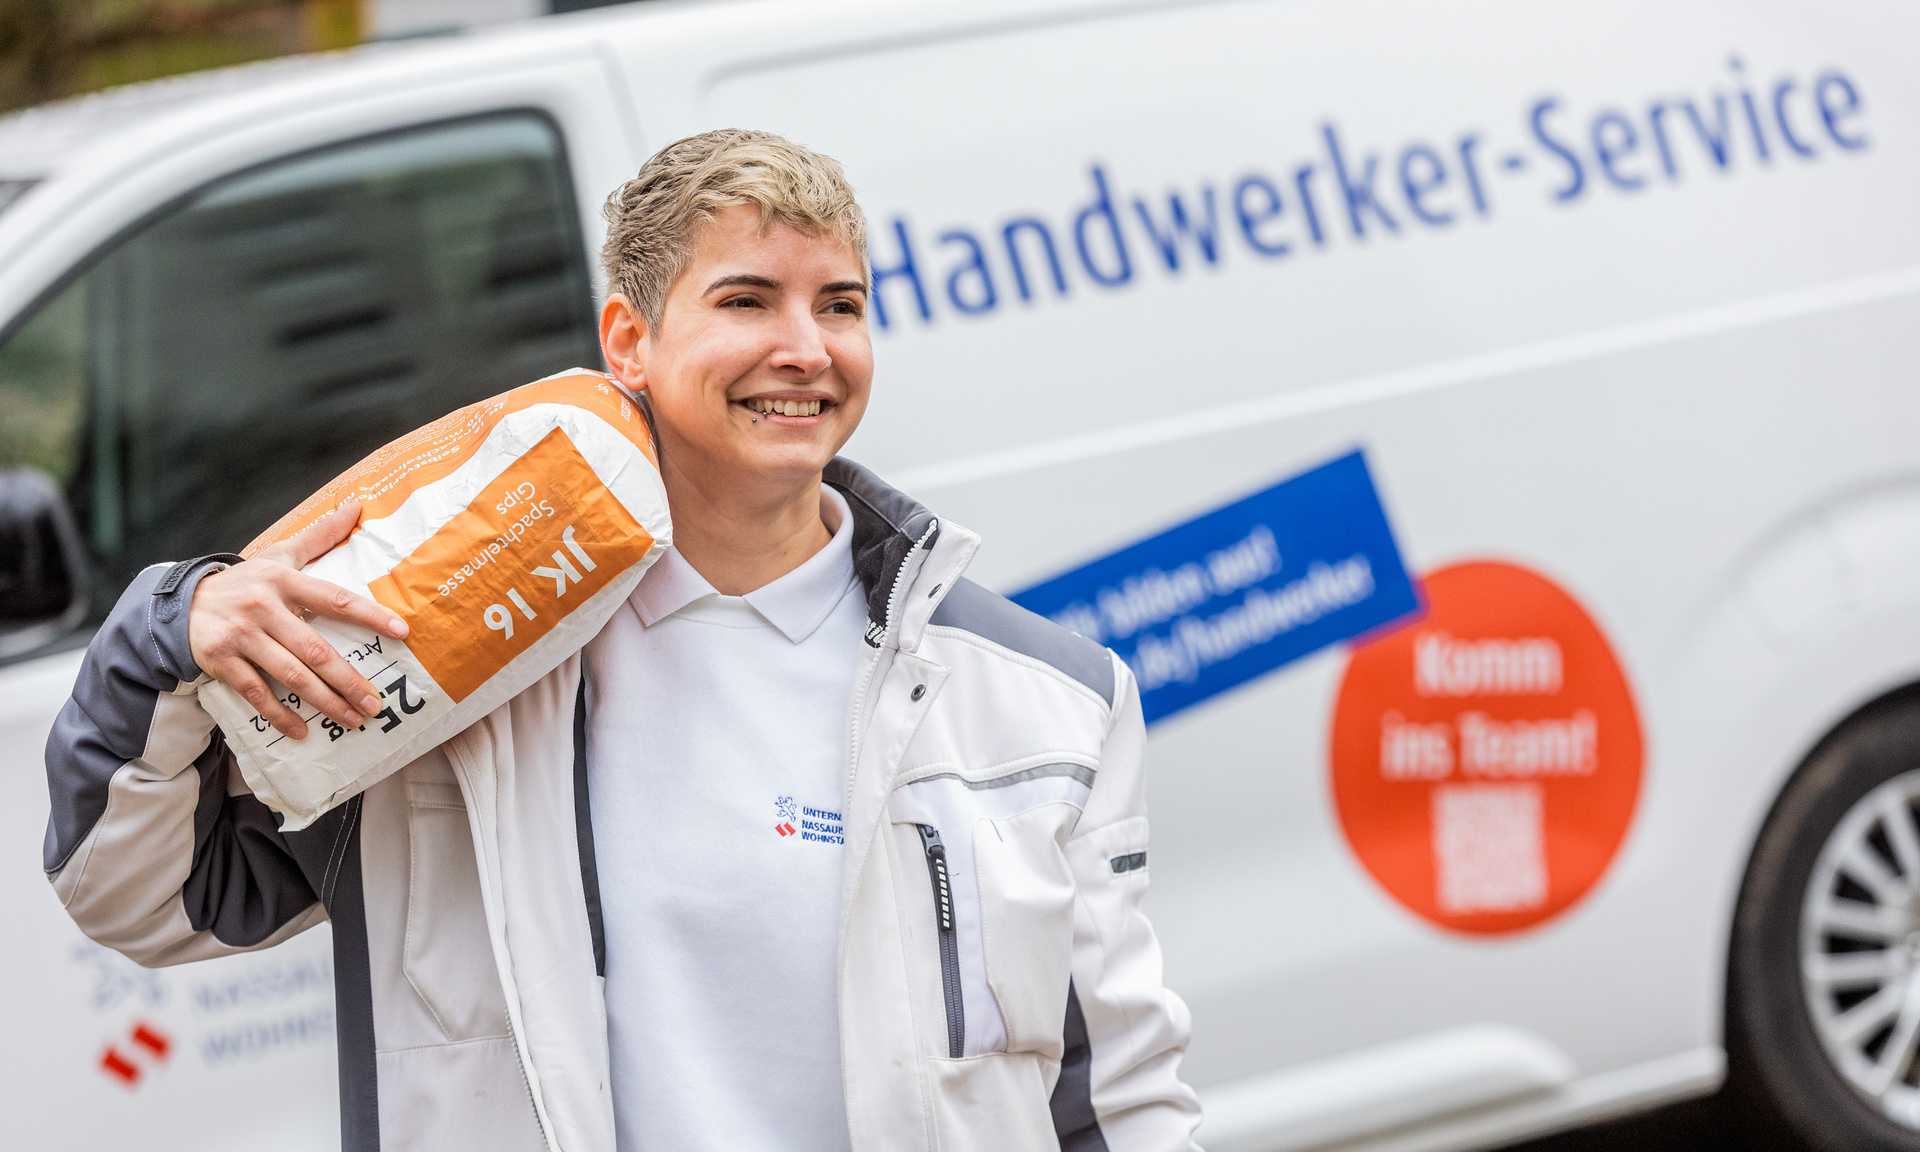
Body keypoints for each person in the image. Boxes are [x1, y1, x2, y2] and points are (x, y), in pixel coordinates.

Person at [44, 129, 1203, 1152]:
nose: (806, 348)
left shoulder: (1049, 700)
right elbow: (137, 897)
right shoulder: (466, 682)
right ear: (628, 341)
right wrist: (170, 634)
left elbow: (1120, 1097)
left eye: (839, 304)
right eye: (747, 302)